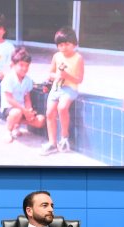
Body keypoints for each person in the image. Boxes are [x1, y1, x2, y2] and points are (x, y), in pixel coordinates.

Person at [40, 26, 85, 155]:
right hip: (56, 88)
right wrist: (57, 76)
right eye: (60, 45)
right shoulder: (56, 56)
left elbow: (79, 79)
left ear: (74, 44)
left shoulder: (78, 58)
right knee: (49, 113)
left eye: (67, 44)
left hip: (70, 88)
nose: (63, 47)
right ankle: (52, 143)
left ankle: (64, 138)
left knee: (62, 107)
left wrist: (67, 76)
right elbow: (50, 74)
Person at [0, 46, 45, 142]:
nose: (24, 68)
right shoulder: (8, 78)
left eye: (27, 65)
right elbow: (9, 99)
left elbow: (27, 98)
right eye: (21, 65)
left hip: (22, 109)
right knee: (17, 112)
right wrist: (24, 110)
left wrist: (29, 111)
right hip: (9, 108)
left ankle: (15, 123)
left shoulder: (28, 80)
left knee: (40, 120)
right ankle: (9, 130)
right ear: (13, 65)